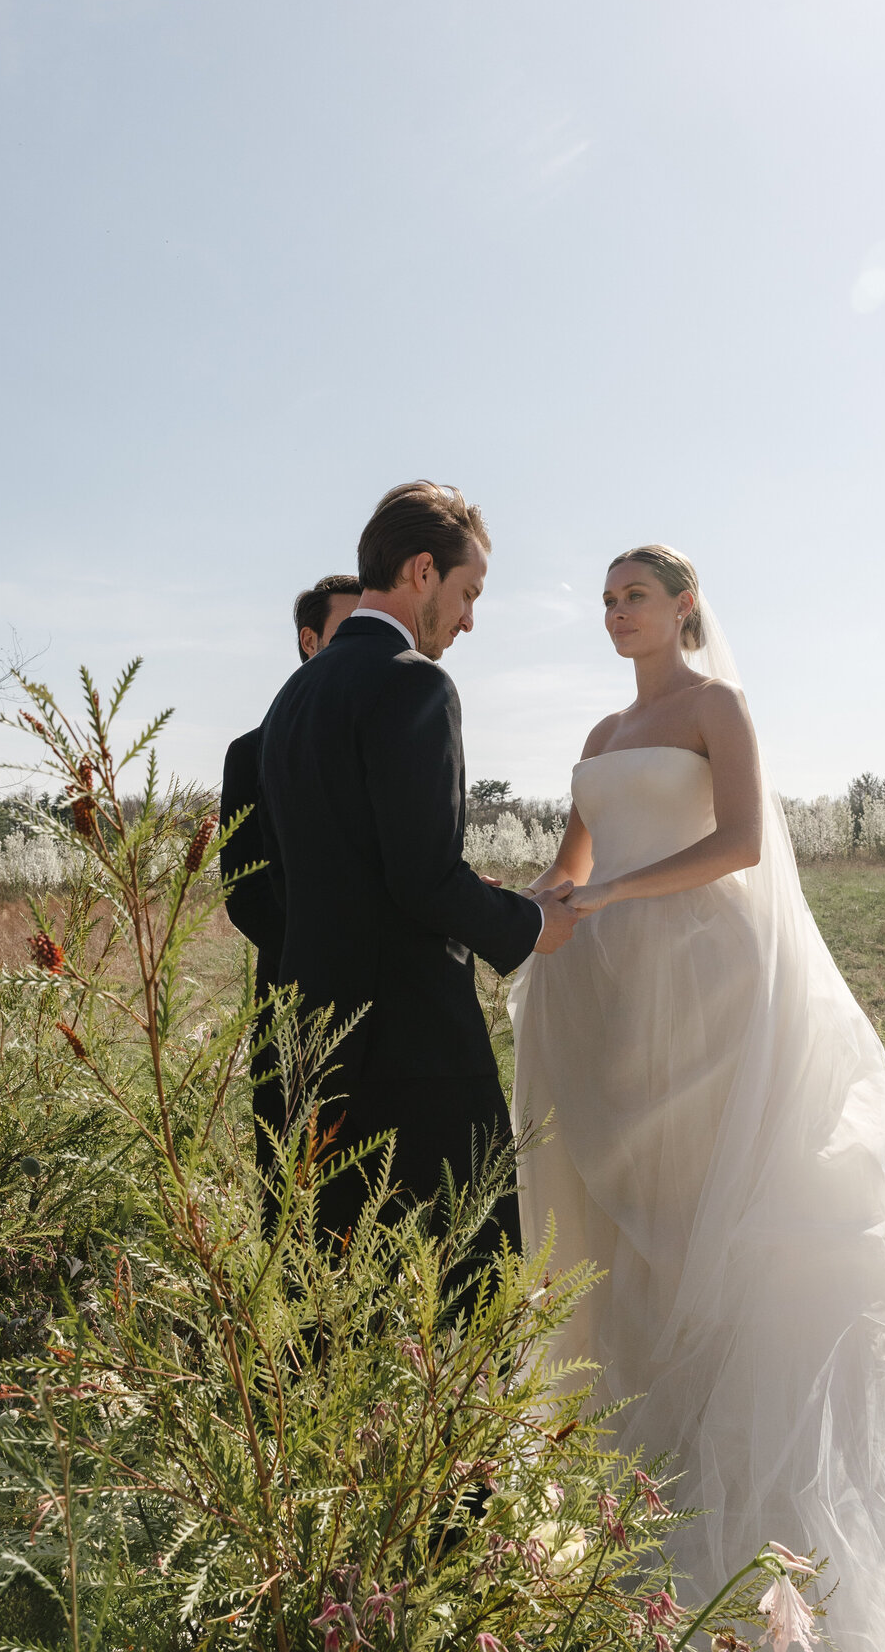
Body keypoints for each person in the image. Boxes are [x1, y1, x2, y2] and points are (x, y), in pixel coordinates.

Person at [510, 544, 885, 1651]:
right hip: (620, 1000)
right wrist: (547, 900)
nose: (615, 614)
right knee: (644, 1225)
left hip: (710, 982)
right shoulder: (601, 738)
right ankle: (661, 1453)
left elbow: (743, 840)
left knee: (735, 1218)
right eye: (605, 601)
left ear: (682, 603)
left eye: (634, 596)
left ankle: (764, 1482)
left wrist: (616, 892)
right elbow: (575, 860)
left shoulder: (718, 704)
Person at [259, 481, 577, 1257]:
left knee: (326, 1298)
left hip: (308, 1041)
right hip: (411, 1050)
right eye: (470, 593)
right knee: (473, 1280)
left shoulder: (291, 699)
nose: (470, 618)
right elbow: (422, 879)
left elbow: (347, 867)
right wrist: (535, 923)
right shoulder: (415, 681)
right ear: (424, 572)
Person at [220, 573, 361, 1184]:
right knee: (292, 1168)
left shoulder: (387, 738)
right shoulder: (249, 752)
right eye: (349, 631)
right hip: (289, 992)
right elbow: (245, 891)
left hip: (390, 997)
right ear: (310, 640)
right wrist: (324, 953)